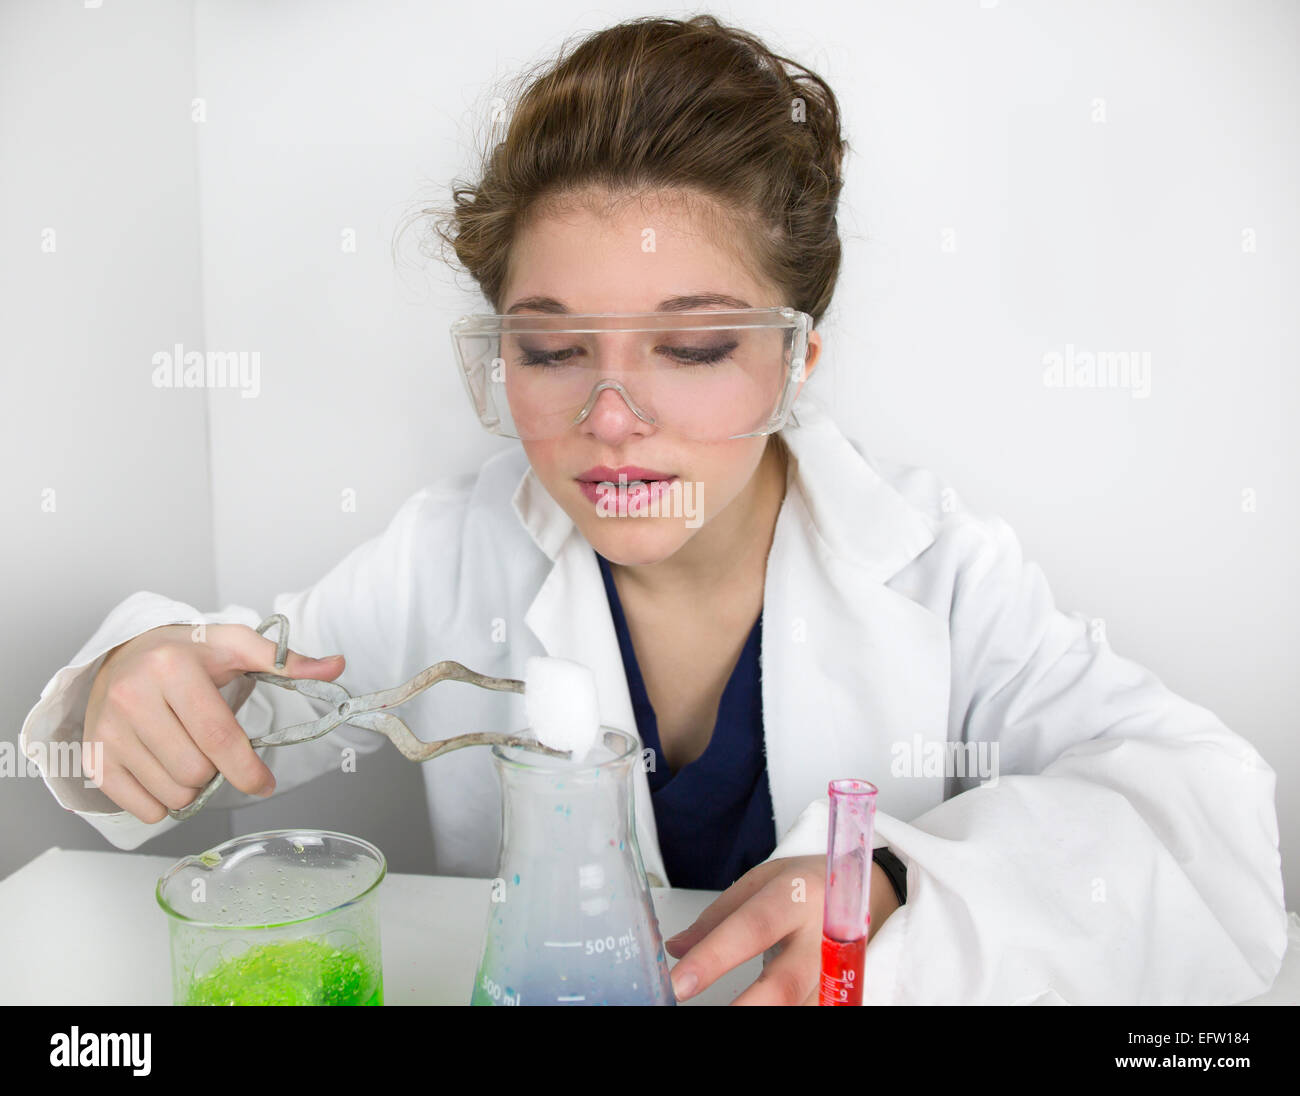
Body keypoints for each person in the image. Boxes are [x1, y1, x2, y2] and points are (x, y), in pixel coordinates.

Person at [19, 14, 1286, 1005]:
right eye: (554, 351)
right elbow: (222, 695)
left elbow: (1206, 822)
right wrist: (126, 688)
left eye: (691, 348)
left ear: (795, 361)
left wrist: (905, 884)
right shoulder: (454, 557)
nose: (612, 418)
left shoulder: (939, 569)